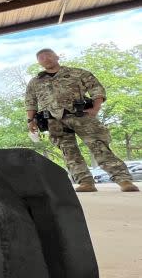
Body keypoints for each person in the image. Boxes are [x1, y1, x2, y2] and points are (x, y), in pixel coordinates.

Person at [26, 48, 138, 193]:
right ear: (39, 62)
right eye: (41, 58)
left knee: (99, 146)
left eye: (48, 55)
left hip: (81, 116)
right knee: (69, 152)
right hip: (54, 121)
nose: (45, 59)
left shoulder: (77, 73)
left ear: (57, 56)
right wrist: (31, 121)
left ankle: (124, 180)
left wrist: (95, 108)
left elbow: (96, 89)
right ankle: (85, 182)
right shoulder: (35, 82)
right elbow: (30, 102)